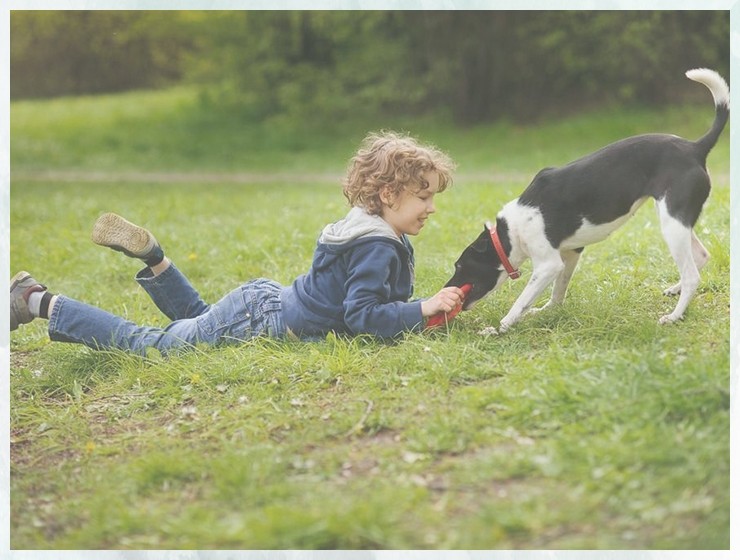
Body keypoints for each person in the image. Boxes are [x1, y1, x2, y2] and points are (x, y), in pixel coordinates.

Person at [10, 131, 466, 355]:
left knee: (201, 322)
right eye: (423, 196)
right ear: (388, 195)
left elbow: (368, 304)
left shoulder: (368, 226)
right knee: (156, 346)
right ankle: (34, 299)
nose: (431, 207)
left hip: (262, 303)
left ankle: (155, 259)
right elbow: (362, 314)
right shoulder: (377, 245)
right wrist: (421, 309)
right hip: (263, 317)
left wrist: (417, 313)